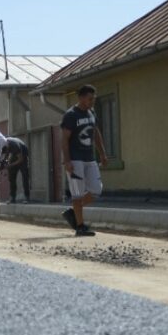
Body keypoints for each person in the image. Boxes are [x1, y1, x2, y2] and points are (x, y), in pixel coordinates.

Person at [60, 84, 108, 237]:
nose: (92, 101)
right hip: (75, 159)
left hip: (89, 158)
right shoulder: (70, 115)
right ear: (81, 98)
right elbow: (64, 140)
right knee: (77, 193)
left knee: (96, 189)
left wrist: (102, 153)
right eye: (90, 98)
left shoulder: (91, 112)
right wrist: (67, 161)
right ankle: (80, 226)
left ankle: (73, 212)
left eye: (94, 98)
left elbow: (95, 133)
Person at [2, 135, 30, 203]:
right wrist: (5, 162)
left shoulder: (14, 146)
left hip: (22, 156)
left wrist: (10, 165)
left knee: (25, 176)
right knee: (11, 177)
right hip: (15, 155)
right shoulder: (4, 143)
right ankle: (12, 197)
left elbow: (20, 159)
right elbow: (7, 153)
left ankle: (26, 197)